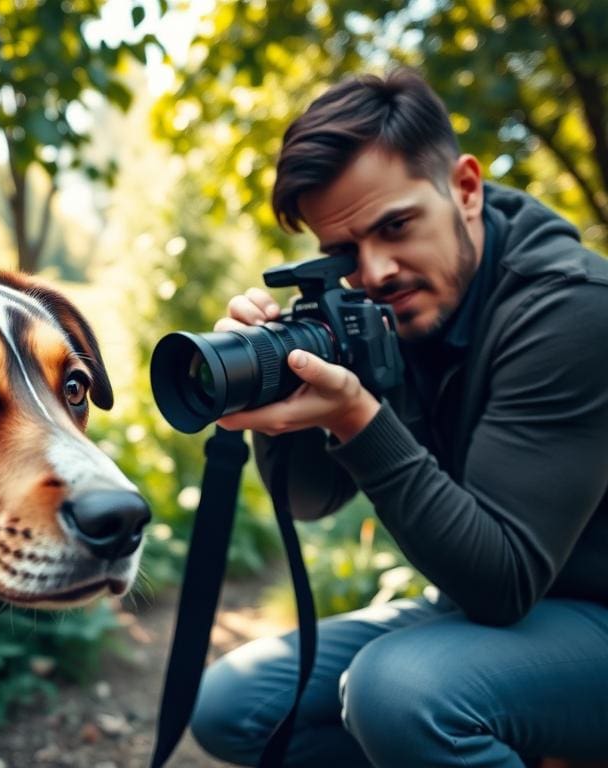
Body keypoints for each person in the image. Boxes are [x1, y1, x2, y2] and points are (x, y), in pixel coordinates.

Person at [188, 69, 608, 768]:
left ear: (465, 190)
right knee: (236, 704)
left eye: (397, 227)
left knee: (399, 692)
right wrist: (278, 407)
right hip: (499, 618)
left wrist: (357, 418)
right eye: (343, 253)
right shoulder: (392, 306)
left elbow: (502, 581)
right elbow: (310, 500)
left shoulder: (572, 310)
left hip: (578, 609)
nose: (376, 273)